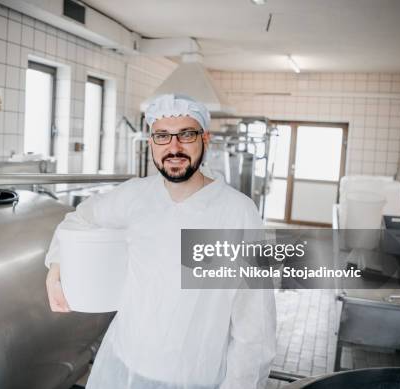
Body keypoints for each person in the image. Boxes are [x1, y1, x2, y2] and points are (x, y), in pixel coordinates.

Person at [45, 94, 276, 389]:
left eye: (186, 134)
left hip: (197, 377)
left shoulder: (237, 213)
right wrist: (56, 263)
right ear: (151, 142)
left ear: (205, 139)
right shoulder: (134, 196)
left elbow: (255, 325)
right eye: (162, 136)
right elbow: (78, 220)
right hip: (125, 367)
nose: (174, 147)